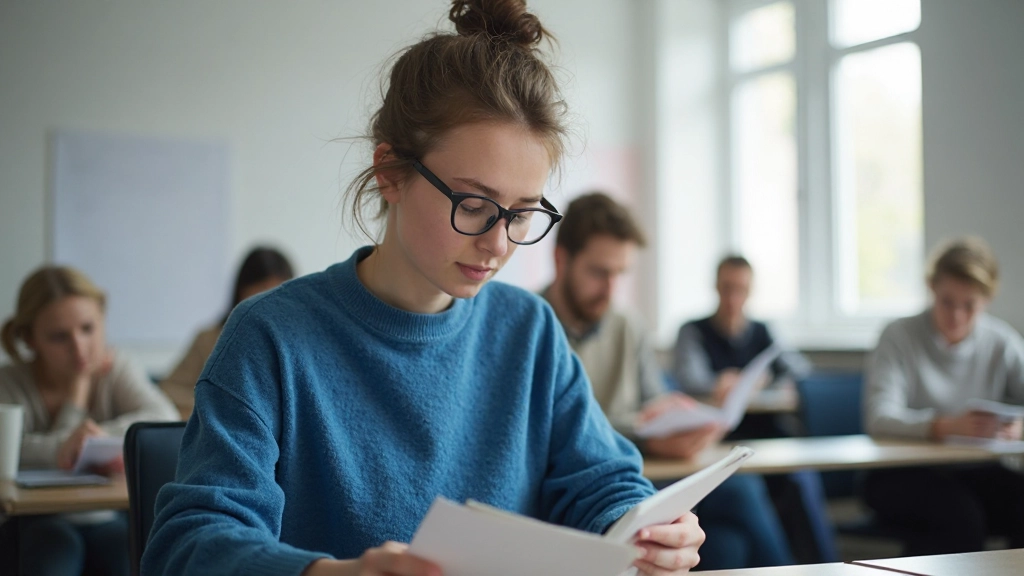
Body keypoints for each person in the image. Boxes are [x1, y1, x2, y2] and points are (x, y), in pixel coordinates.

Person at [142, 2, 704, 575]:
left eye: (522, 213)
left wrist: (647, 526)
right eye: (475, 205)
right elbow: (190, 543)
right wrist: (328, 574)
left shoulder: (529, 331)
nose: (499, 244)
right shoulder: (270, 337)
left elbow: (601, 484)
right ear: (390, 172)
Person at [541, 193, 793, 570]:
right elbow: (554, 438)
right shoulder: (532, 328)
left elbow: (657, 402)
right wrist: (642, 433)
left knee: (727, 543)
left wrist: (684, 421)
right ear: (562, 260)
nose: (611, 290)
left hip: (648, 474)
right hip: (592, 487)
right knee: (740, 499)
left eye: (620, 273)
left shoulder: (628, 326)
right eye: (599, 272)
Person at [0, 265, 179, 576]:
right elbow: (7, 454)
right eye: (59, 337)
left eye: (88, 328)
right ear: (30, 339)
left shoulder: (117, 366)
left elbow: (162, 422)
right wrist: (76, 396)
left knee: (134, 552)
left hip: (106, 516)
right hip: (35, 521)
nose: (79, 347)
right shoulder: (10, 383)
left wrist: (91, 440)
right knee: (53, 550)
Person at [863, 237, 1024, 555]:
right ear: (931, 288)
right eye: (947, 302)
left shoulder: (1001, 341)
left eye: (970, 306)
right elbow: (878, 417)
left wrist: (1019, 427)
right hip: (901, 475)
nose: (957, 316)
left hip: (974, 472)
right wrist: (945, 427)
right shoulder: (898, 336)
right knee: (960, 517)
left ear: (987, 300)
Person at [673, 255, 811, 439]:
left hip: (763, 426)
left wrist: (762, 380)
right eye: (727, 288)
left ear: (750, 290)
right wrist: (718, 384)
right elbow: (690, 379)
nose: (733, 298)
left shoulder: (763, 331)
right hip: (713, 430)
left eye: (741, 289)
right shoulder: (693, 330)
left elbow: (799, 367)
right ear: (716, 286)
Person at [159, 246, 294, 418]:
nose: (268, 303)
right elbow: (169, 392)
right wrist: (218, 408)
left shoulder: (295, 346)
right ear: (242, 291)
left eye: (276, 294)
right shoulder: (209, 339)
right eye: (261, 291)